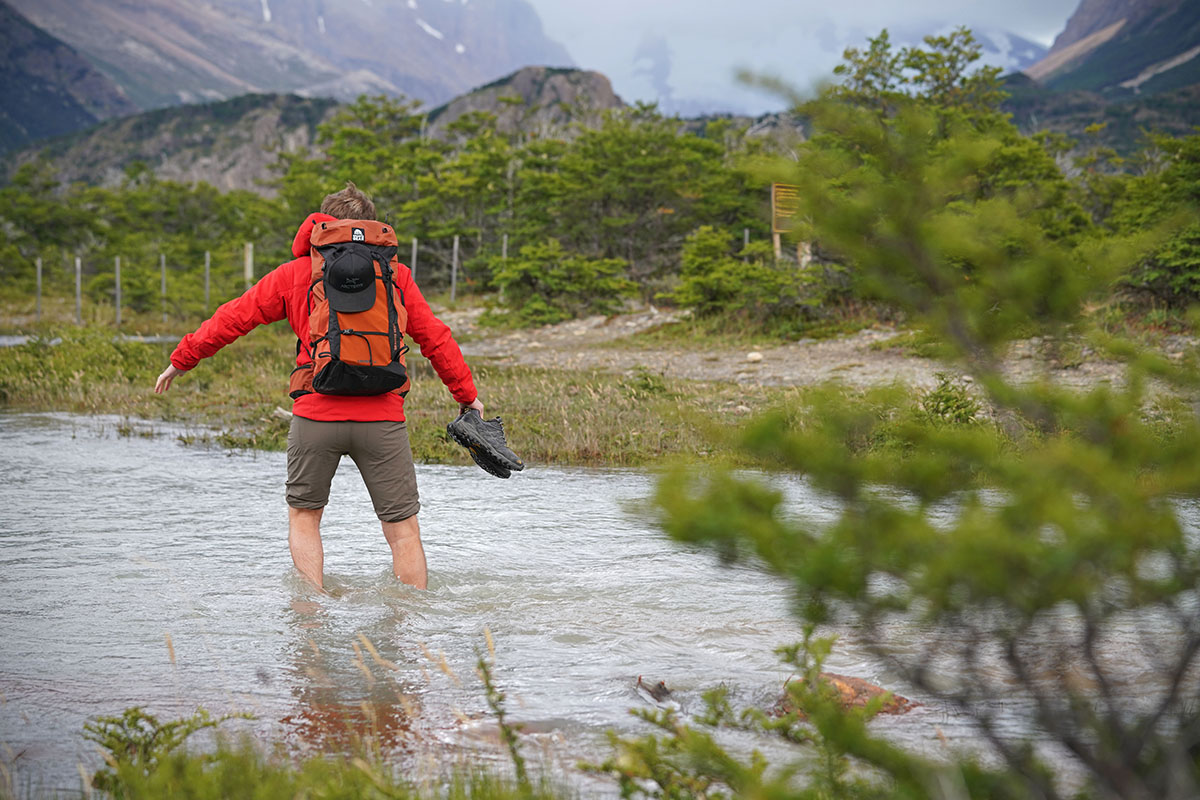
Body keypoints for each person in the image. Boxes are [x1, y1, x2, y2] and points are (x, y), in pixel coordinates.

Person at [154, 182, 482, 591]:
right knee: (403, 531)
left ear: (322, 223)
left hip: (315, 414)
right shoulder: (397, 276)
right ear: (371, 223)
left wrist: (181, 360)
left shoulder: (296, 274)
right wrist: (466, 397)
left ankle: (309, 619)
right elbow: (436, 338)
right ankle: (410, 627)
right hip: (382, 418)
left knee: (305, 518)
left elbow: (232, 318)